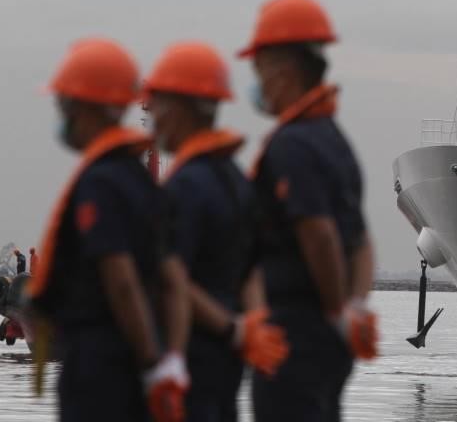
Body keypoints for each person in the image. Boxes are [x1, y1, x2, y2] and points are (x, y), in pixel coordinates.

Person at [27, 38, 190, 422]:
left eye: (64, 103)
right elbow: (172, 279)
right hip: (131, 360)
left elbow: (121, 282)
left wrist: (151, 363)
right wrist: (166, 363)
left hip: (100, 364)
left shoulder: (99, 183)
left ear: (84, 107)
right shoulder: (140, 182)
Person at [238, 0, 376, 422]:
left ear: (283, 69)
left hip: (294, 332)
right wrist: (354, 308)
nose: (257, 81)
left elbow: (319, 233)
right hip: (326, 337)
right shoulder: (335, 139)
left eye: (259, 68)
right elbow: (360, 240)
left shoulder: (292, 146)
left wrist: (335, 311)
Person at [146, 41, 290, 422]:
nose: (154, 117)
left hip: (195, 352)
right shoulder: (238, 181)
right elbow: (251, 269)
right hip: (228, 363)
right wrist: (254, 326)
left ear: (182, 107)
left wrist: (227, 332)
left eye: (157, 105)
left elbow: (172, 279)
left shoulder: (185, 187)